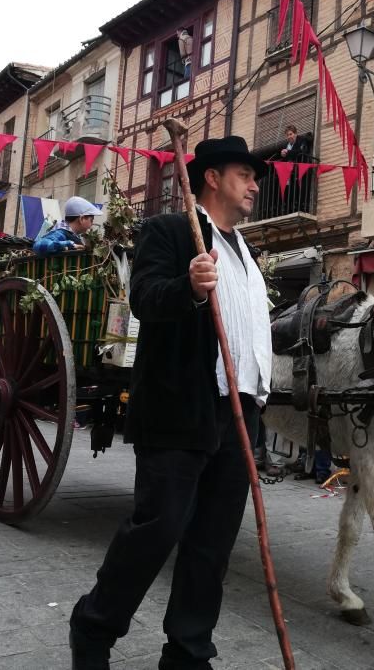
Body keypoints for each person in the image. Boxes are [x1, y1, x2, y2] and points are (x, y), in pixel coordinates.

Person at [69, 135, 271, 670]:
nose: (255, 185)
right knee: (157, 528)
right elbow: (146, 298)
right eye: (245, 174)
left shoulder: (246, 253)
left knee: (212, 543)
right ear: (211, 177)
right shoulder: (168, 231)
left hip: (240, 413)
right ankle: (93, 627)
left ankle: (188, 651)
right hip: (183, 406)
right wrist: (189, 286)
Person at [32, 196, 102, 257]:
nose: (91, 225)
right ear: (82, 219)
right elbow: (38, 246)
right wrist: (70, 244)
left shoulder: (75, 235)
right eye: (91, 220)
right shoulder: (61, 233)